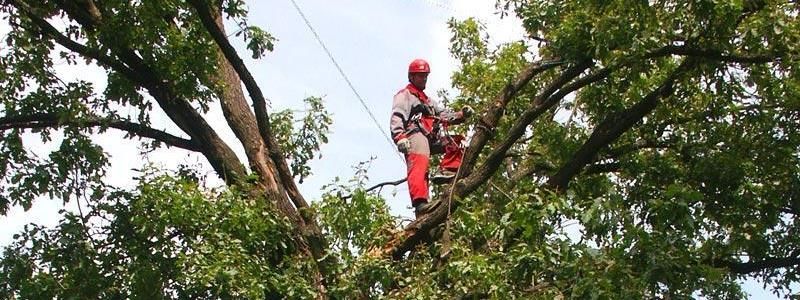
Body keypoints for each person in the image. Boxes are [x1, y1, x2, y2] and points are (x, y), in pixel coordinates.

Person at [390, 58, 473, 219]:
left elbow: (443, 115)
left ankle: (448, 170)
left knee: (458, 141)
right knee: (420, 163)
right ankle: (420, 204)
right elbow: (397, 115)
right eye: (420, 75)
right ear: (412, 77)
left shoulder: (427, 101)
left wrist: (461, 115)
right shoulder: (405, 95)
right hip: (414, 135)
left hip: (430, 137)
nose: (424, 78)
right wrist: (399, 136)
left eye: (425, 75)